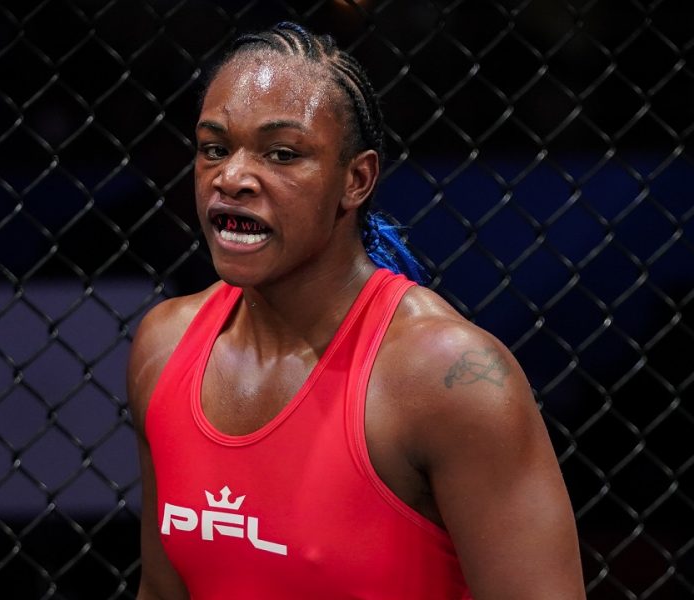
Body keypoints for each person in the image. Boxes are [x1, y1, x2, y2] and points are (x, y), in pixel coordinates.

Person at [127, 21, 585, 599]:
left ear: (357, 179)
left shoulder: (448, 379)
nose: (232, 177)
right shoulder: (164, 346)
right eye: (214, 149)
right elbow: (162, 589)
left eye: (283, 154)